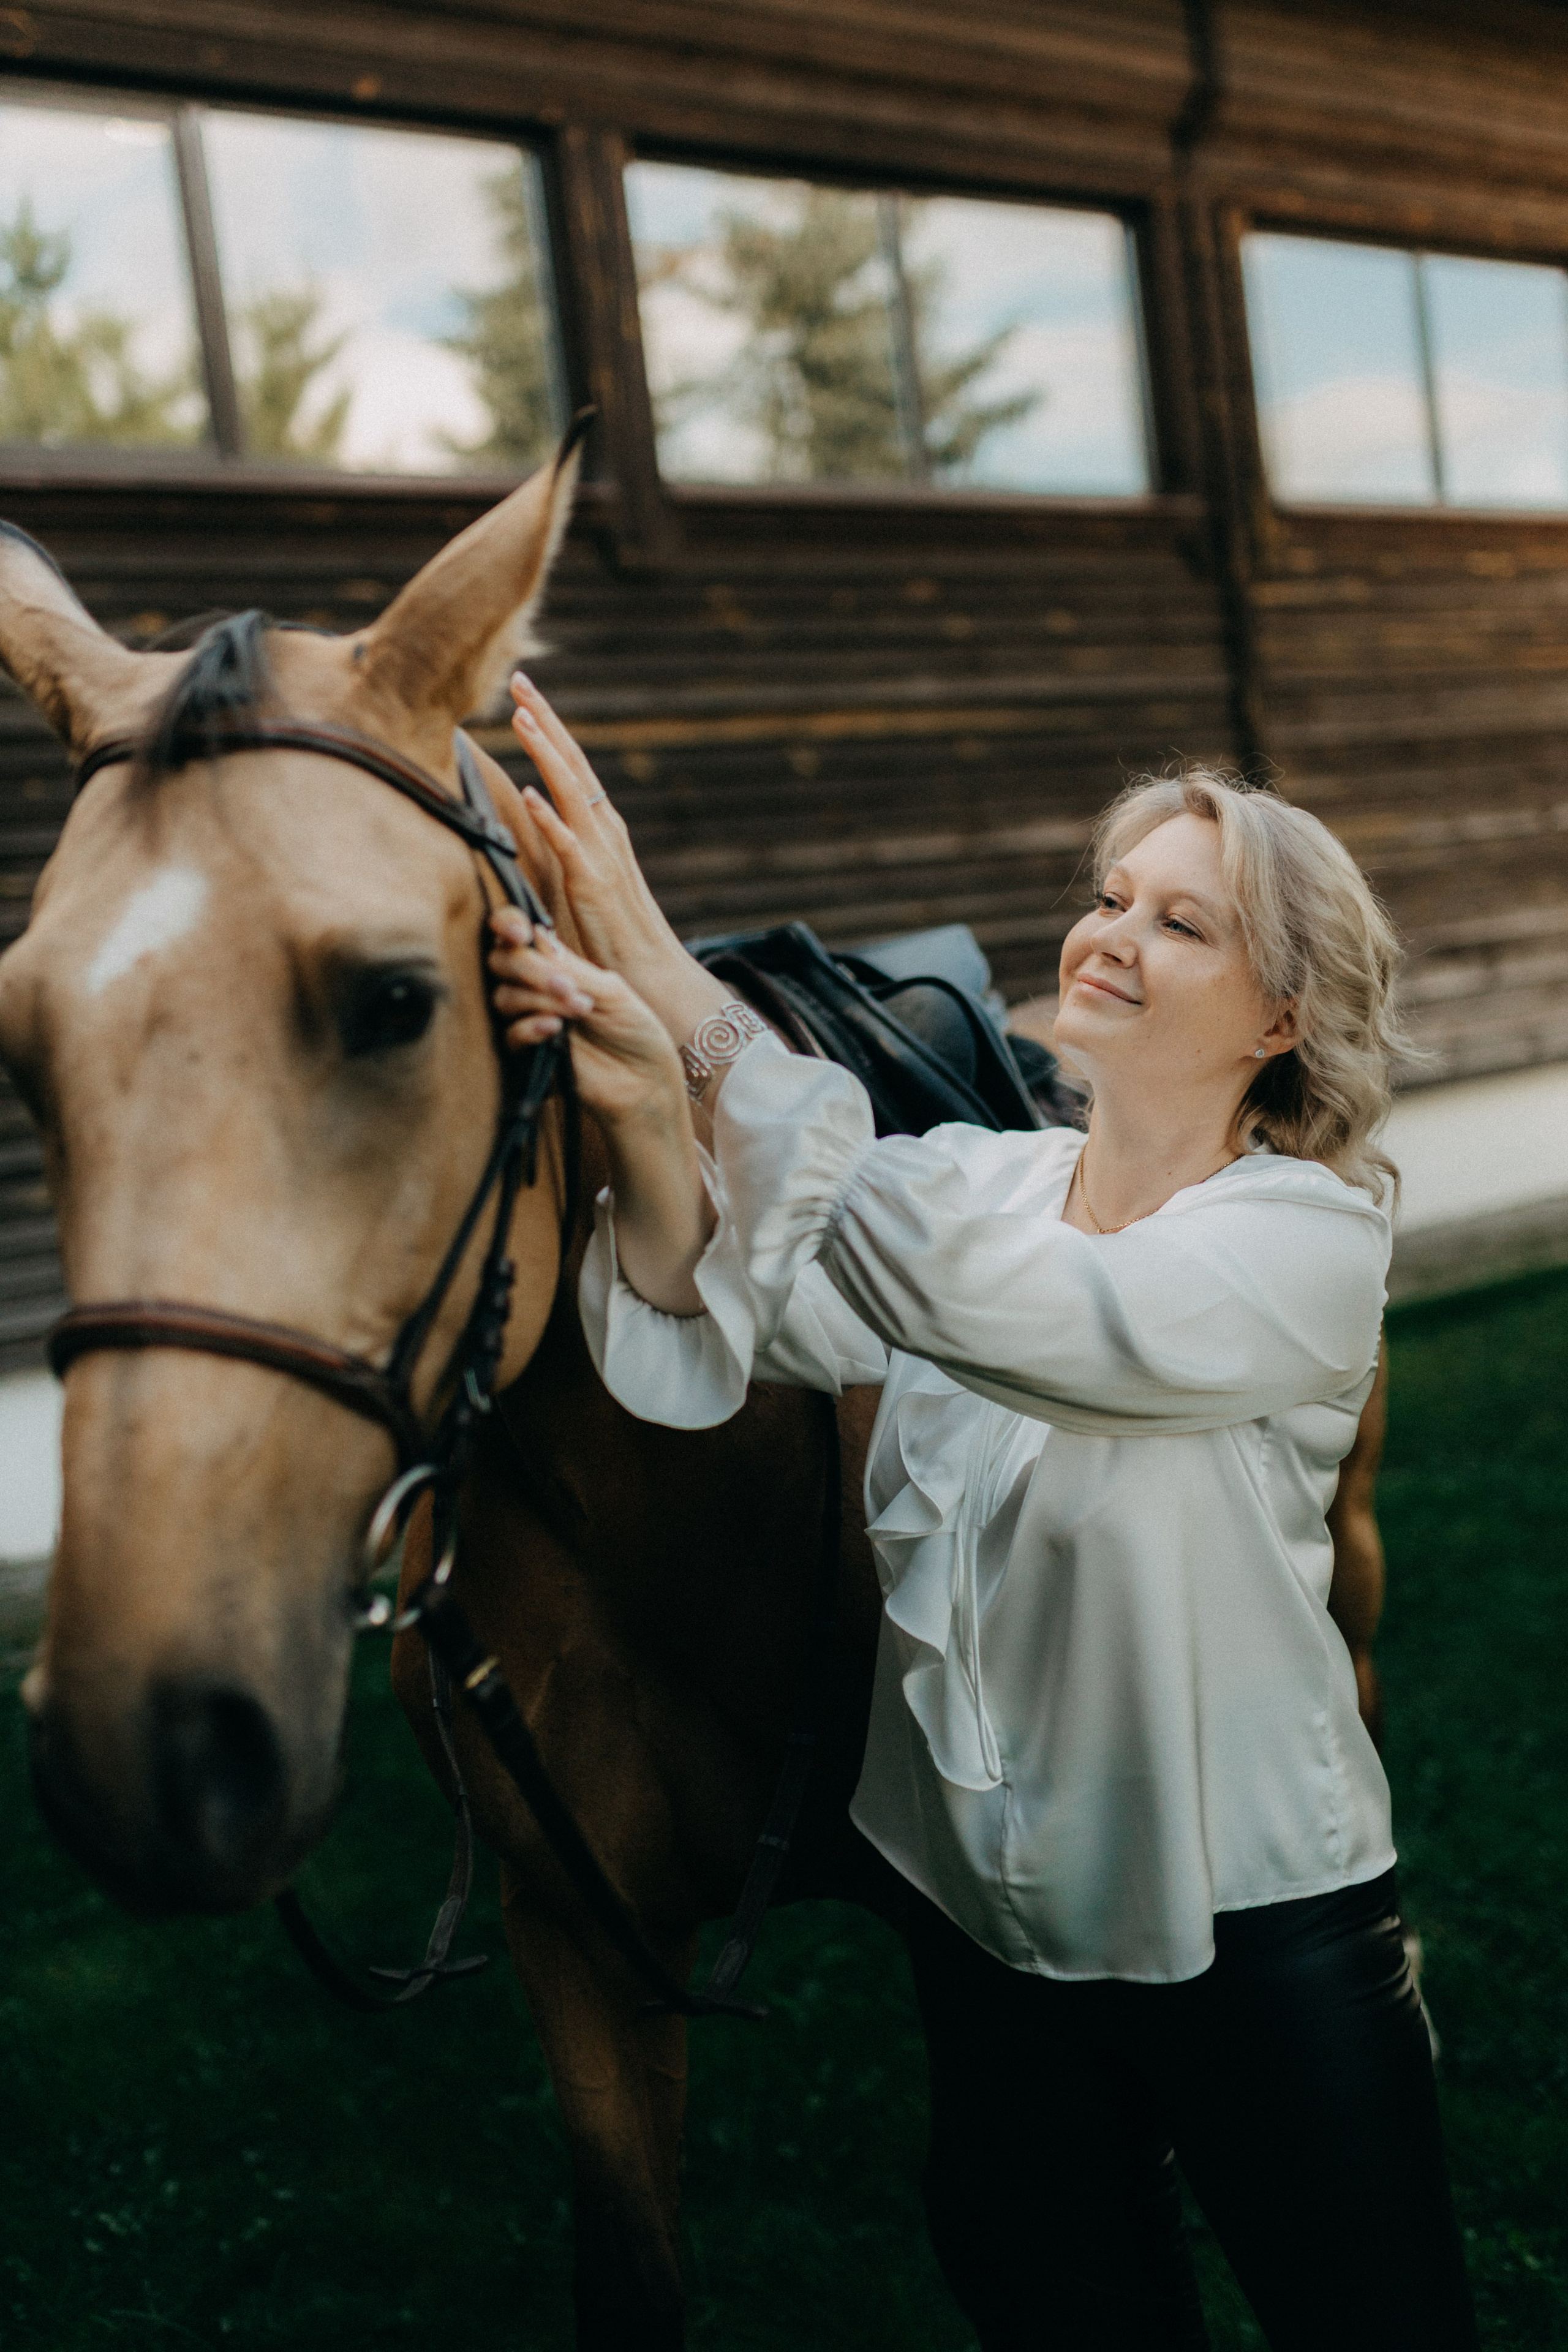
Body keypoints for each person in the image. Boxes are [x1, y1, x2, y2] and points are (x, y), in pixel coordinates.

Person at [485, 672, 1479, 2352]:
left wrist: (657, 962)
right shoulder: (984, 1182)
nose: (1116, 934)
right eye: (1113, 896)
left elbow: (961, 1281)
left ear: (1281, 1018)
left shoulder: (1305, 1241)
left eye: (1182, 922)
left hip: (1255, 1947)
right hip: (988, 1946)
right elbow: (730, 1304)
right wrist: (652, 1109)